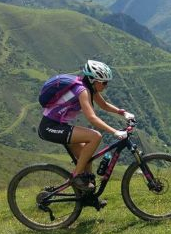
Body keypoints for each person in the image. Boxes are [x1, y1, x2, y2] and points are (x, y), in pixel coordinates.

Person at [38, 60, 135, 192]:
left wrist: (123, 113)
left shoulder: (90, 88)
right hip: (50, 127)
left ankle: (88, 194)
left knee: (86, 159)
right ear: (94, 80)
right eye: (104, 82)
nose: (106, 86)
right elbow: (92, 118)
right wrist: (115, 132)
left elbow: (104, 105)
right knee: (95, 136)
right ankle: (75, 177)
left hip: (59, 125)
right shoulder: (82, 90)